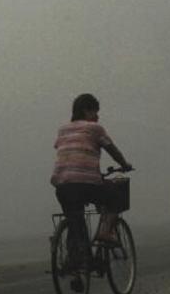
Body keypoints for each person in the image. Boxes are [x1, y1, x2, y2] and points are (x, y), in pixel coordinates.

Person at [50, 93, 133, 274]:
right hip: (86, 183)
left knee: (75, 219)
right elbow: (112, 150)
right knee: (116, 197)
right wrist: (125, 165)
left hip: (62, 185)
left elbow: (64, 150)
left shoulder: (63, 129)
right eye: (95, 111)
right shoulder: (95, 128)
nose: (97, 116)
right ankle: (105, 232)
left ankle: (78, 259)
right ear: (86, 110)